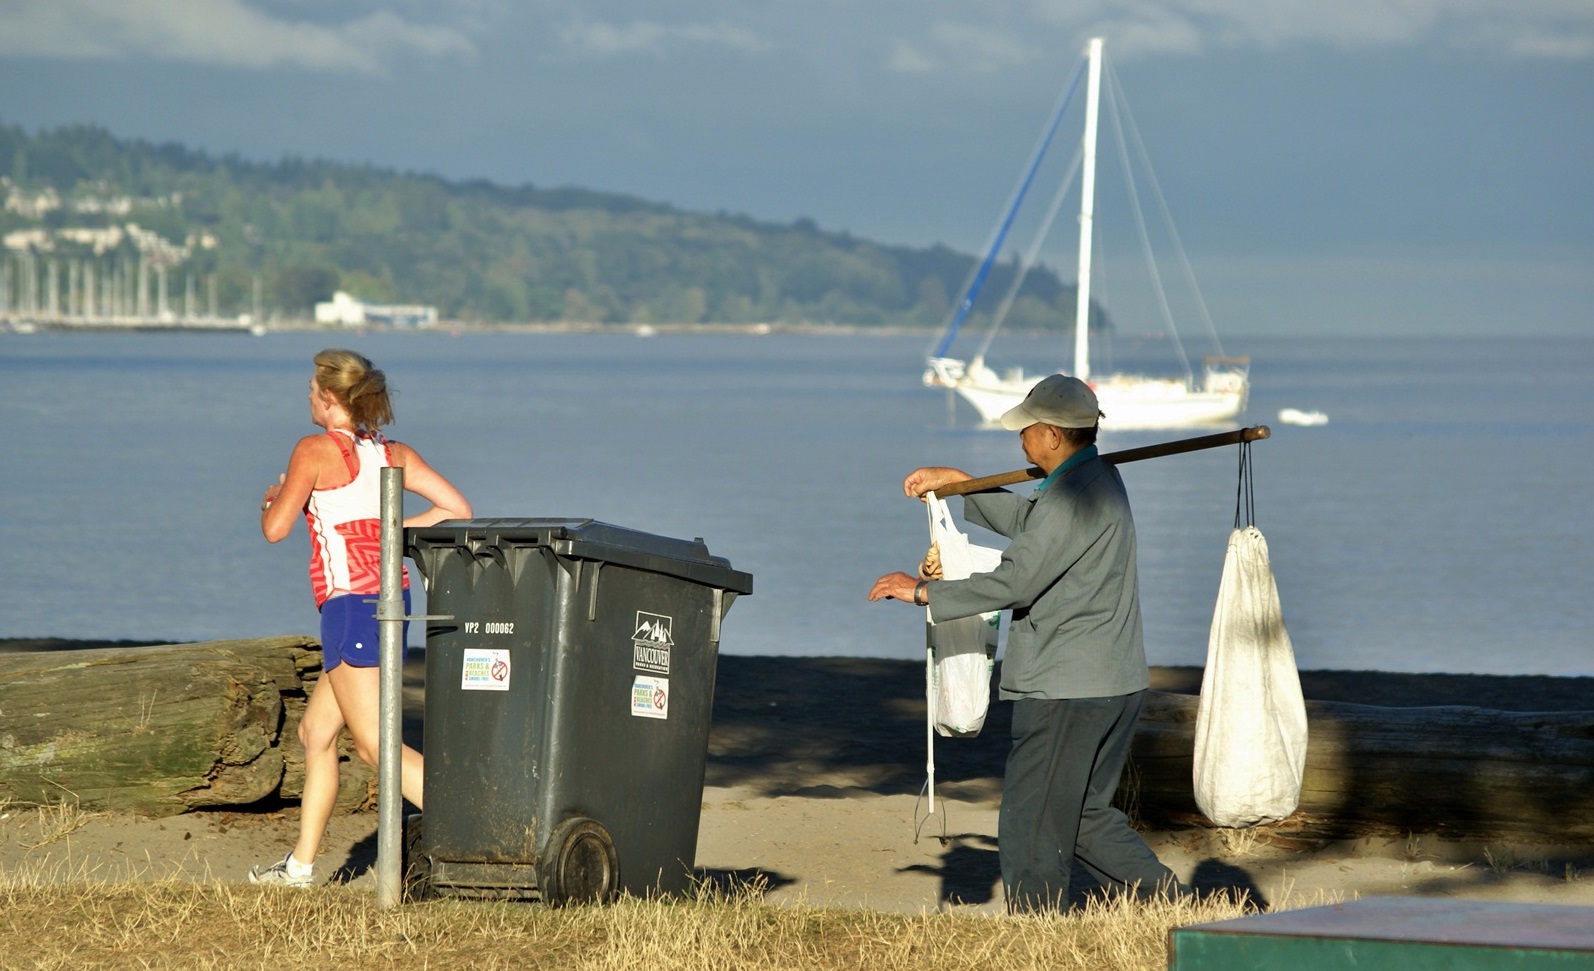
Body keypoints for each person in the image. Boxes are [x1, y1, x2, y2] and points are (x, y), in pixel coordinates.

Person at [868, 373, 1181, 912]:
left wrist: (922, 592)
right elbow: (1030, 521)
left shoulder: (1070, 497)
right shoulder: (1095, 480)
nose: (1020, 440)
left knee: (1032, 822)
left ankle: (1037, 931)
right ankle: (1173, 902)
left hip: (1066, 688)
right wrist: (963, 483)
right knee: (1081, 816)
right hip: (1114, 682)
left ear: (1055, 436)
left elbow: (1015, 581)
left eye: (1027, 429)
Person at [250, 348, 472, 887]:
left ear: (329, 398)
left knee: (375, 747)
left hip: (349, 608)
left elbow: (275, 529)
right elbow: (457, 510)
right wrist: (388, 532)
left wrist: (277, 498)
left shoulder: (314, 450)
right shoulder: (394, 453)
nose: (307, 395)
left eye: (310, 388)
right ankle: (300, 868)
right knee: (315, 732)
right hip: (391, 604)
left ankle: (480, 828)